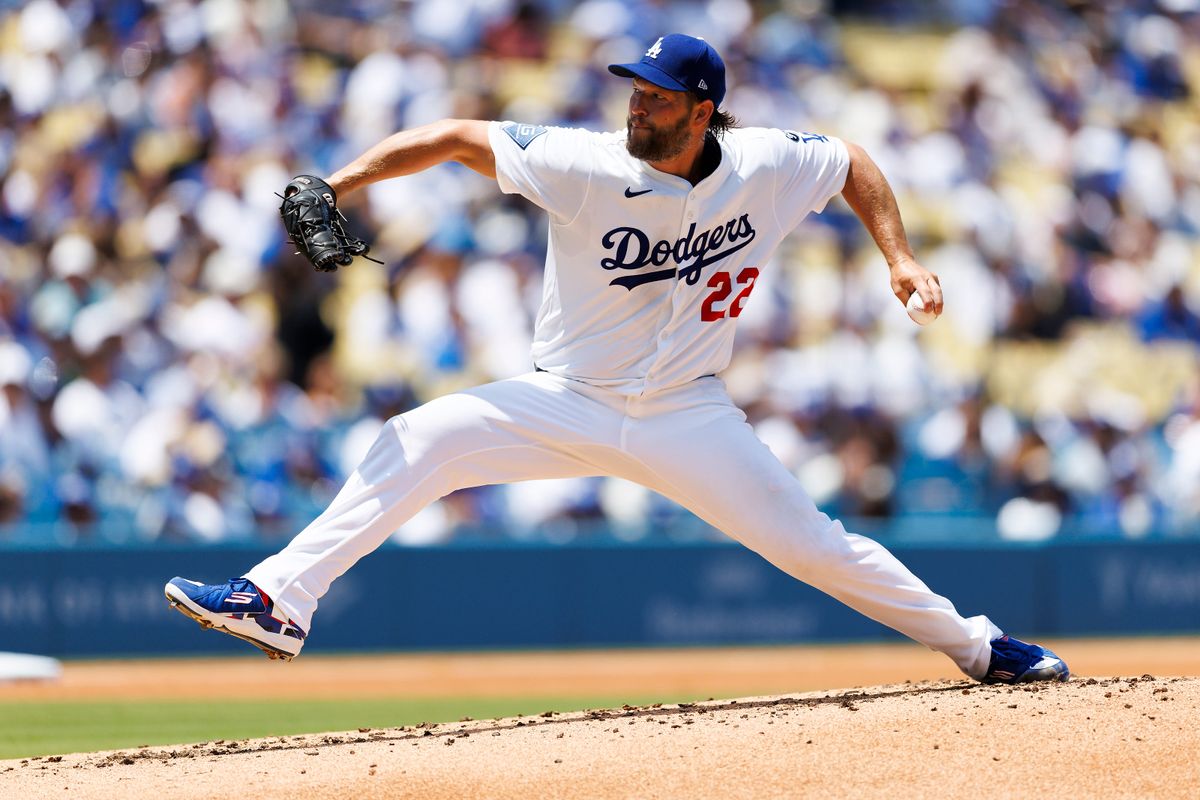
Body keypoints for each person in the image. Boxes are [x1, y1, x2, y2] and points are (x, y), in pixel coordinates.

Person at [166, 34, 1068, 685]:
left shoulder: (764, 162)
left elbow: (852, 162)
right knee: (421, 438)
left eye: (655, 96)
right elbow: (452, 137)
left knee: (819, 550)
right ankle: (278, 598)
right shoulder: (583, 163)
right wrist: (340, 182)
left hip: (688, 412)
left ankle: (980, 648)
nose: (635, 106)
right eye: (632, 91)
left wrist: (899, 256)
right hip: (567, 398)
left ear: (702, 109)